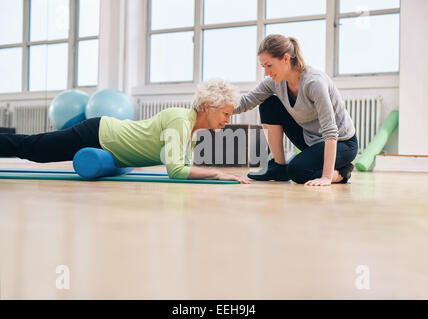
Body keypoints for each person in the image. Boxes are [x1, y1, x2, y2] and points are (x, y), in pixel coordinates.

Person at [0, 79, 250, 184]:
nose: (227, 120)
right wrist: (217, 173)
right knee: (34, 149)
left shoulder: (192, 133)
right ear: (208, 106)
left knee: (35, 149)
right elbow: (176, 171)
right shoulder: (179, 120)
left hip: (106, 143)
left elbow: (182, 167)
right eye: (226, 113)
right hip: (98, 134)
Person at [234, 34, 358, 186]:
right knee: (269, 103)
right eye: (263, 67)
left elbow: (331, 131)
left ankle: (342, 173)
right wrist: (216, 108)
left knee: (297, 171)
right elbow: (246, 102)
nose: (267, 72)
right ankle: (279, 166)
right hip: (311, 139)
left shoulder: (314, 82)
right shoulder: (274, 83)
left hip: (341, 142)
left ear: (286, 59)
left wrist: (326, 177)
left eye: (269, 65)